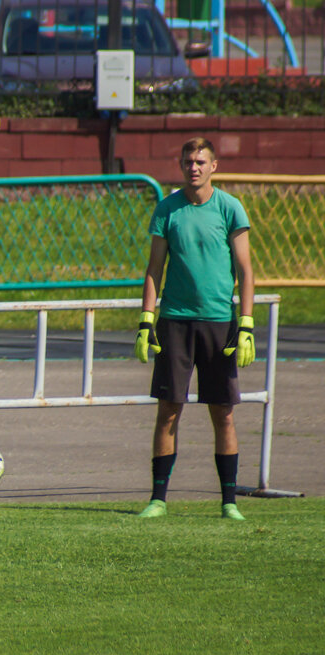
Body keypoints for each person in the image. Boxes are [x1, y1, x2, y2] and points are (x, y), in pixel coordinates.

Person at [134, 137, 255, 520]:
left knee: (223, 412)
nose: (194, 168)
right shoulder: (168, 210)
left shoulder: (229, 208)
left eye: (201, 161)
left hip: (219, 322)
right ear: (181, 165)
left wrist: (247, 324)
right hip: (175, 322)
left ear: (214, 166)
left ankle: (229, 502)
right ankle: (158, 499)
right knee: (168, 410)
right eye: (188, 161)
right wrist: (146, 320)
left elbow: (245, 270)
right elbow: (154, 269)